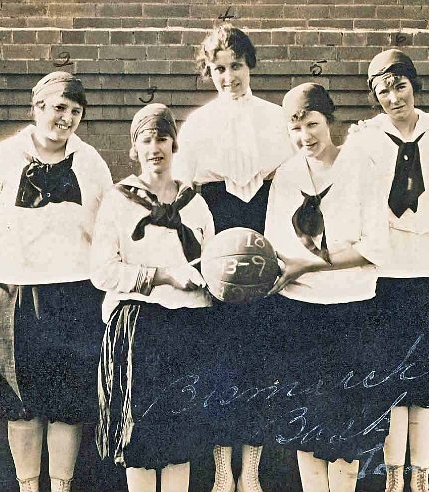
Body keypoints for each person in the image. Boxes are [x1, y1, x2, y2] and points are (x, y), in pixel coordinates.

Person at [0, 72, 112, 492]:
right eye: (59, 108)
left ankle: (61, 486)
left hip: (75, 295)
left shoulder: (91, 161)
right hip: (14, 294)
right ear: (38, 108)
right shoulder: (3, 157)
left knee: (68, 403)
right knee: (21, 404)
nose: (65, 119)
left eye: (75, 112)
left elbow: (109, 227)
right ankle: (29, 487)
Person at [172, 23, 295, 492]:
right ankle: (224, 470)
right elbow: (186, 198)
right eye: (219, 69)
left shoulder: (276, 118)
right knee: (221, 362)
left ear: (250, 66)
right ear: (210, 72)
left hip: (267, 231)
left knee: (262, 363)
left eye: (236, 67)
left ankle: (253, 473)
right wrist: (201, 257)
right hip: (219, 239)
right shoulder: (200, 124)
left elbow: (293, 188)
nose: (229, 77)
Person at [265, 83, 394, 492]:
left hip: (352, 309)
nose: (306, 136)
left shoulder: (360, 166)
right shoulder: (286, 176)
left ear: (330, 122)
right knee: (305, 417)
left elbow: (376, 246)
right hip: (299, 309)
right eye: (297, 128)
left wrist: (314, 262)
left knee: (346, 420)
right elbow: (274, 245)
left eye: (313, 124)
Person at [346, 49, 429, 492]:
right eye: (384, 90)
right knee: (393, 379)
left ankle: (422, 478)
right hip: (388, 272)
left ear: (414, 86)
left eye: (401, 86)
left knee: (428, 381)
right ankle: (394, 476)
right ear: (374, 96)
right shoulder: (364, 139)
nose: (394, 98)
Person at [91, 103, 214, 492]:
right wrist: (163, 276)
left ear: (174, 144)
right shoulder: (119, 200)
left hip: (188, 325)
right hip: (138, 326)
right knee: (139, 434)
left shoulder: (194, 202)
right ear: (134, 149)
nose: (155, 147)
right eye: (146, 140)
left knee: (181, 433)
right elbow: (103, 272)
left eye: (162, 138)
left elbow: (213, 260)